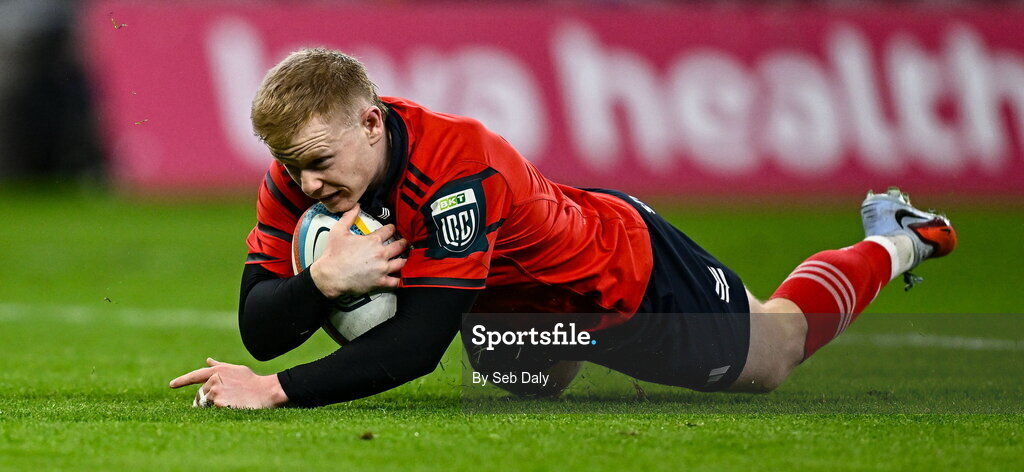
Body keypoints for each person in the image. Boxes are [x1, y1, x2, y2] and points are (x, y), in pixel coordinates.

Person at [169, 48, 958, 409]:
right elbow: (259, 324)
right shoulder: (297, 174)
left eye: (316, 160)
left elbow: (414, 349)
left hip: (619, 281)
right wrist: (320, 283)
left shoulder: (456, 168)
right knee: (517, 386)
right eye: (287, 164)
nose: (304, 184)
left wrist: (274, 392)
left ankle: (896, 236)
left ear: (372, 123)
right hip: (512, 307)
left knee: (775, 349)